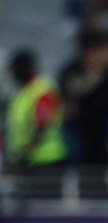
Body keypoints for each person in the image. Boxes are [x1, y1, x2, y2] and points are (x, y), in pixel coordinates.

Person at [5, 49, 67, 199]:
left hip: (46, 162)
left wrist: (21, 158)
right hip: (28, 163)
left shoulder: (42, 90)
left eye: (15, 70)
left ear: (24, 68)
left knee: (43, 209)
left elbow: (41, 128)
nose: (13, 74)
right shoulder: (23, 92)